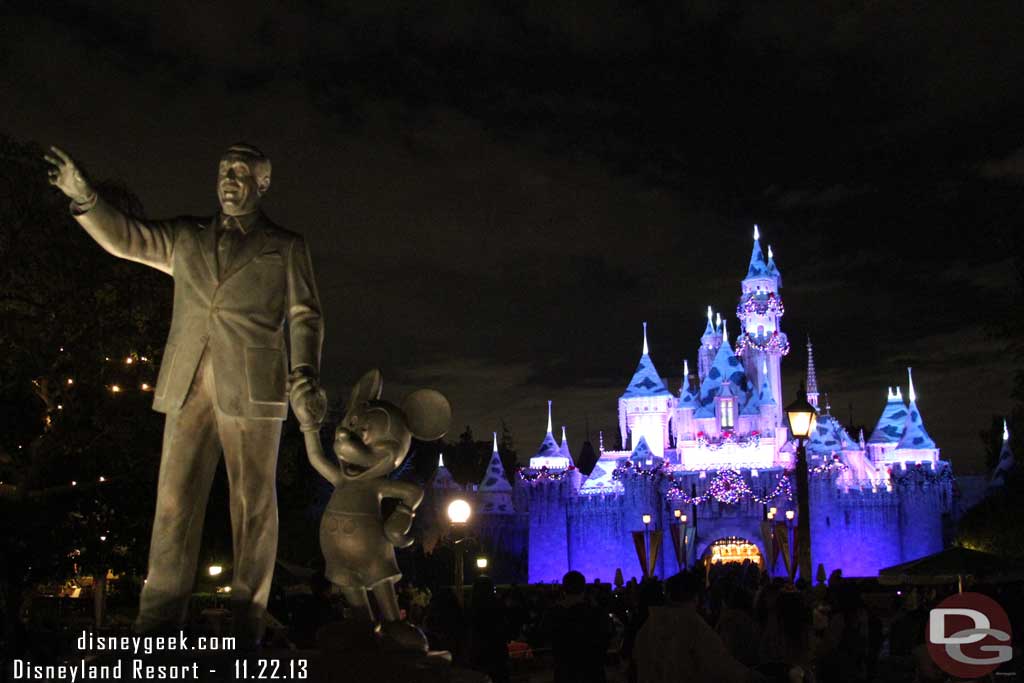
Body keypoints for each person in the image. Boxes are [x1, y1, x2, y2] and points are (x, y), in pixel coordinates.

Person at [44, 144, 323, 646]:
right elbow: (127, 238)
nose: (229, 179)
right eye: (222, 170)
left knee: (253, 507)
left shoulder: (284, 245)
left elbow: (305, 315)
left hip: (255, 389)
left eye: (240, 172)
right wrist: (86, 199)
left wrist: (303, 372)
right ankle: (157, 624)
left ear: (262, 183)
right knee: (172, 504)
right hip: (187, 383)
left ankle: (246, 626)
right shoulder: (185, 236)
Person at [633, 571, 758, 683]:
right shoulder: (693, 625)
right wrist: (753, 677)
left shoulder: (648, 626)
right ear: (696, 597)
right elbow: (721, 665)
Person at [545, 571, 612, 683]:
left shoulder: (553, 614)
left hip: (565, 674)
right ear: (584, 589)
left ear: (564, 589)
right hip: (593, 674)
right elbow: (607, 638)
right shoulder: (597, 614)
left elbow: (544, 638)